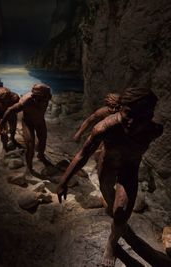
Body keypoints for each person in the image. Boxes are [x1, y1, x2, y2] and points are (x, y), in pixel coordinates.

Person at [56, 87, 163, 267]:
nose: (130, 121)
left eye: (139, 116)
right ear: (121, 108)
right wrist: (63, 181)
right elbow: (83, 154)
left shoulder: (154, 130)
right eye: (127, 113)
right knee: (111, 200)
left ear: (149, 114)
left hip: (129, 170)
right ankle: (116, 220)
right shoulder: (106, 128)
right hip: (107, 168)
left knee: (121, 212)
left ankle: (112, 244)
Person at [0, 83, 52, 173]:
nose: (47, 99)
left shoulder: (46, 97)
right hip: (28, 123)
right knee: (30, 145)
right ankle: (30, 168)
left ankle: (41, 155)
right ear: (36, 96)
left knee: (43, 140)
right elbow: (10, 109)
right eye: (44, 97)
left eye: (47, 97)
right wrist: (2, 122)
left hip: (40, 121)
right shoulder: (27, 101)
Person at [0, 87, 21, 151]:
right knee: (3, 131)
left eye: (5, 96)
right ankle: (4, 145)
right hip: (1, 113)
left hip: (11, 113)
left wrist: (12, 112)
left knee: (13, 128)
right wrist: (0, 120)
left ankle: (12, 138)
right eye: (1, 97)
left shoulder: (15, 97)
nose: (4, 99)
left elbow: (18, 108)